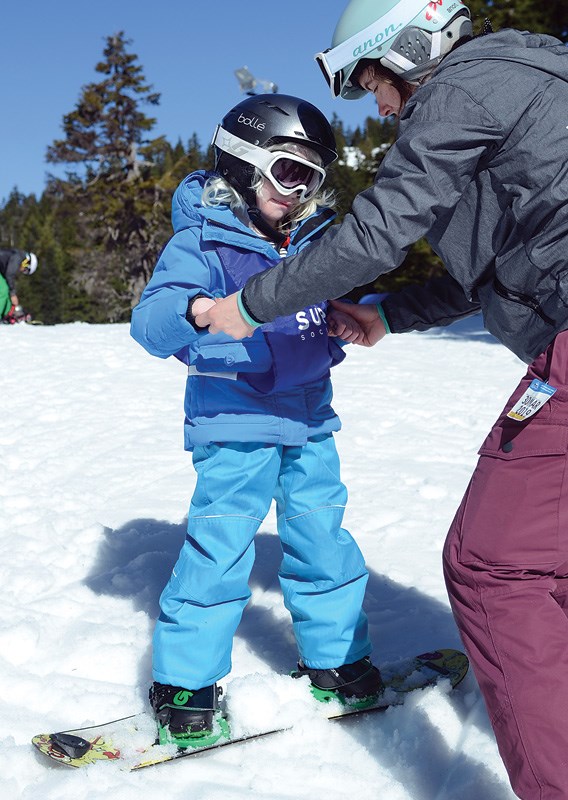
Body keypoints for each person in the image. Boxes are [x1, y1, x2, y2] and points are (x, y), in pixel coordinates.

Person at [197, 2, 568, 797]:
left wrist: (248, 306)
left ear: (408, 50)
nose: (380, 104)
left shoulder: (461, 94)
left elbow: (373, 235)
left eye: (372, 81)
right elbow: (505, 263)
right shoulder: (529, 78)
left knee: (493, 568)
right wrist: (390, 313)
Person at [130, 93, 382, 748]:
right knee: (221, 547)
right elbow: (149, 324)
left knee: (323, 542)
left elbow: (346, 303)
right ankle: (185, 679)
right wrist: (195, 308)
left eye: (313, 179)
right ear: (244, 164)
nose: (299, 193)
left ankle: (335, 656)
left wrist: (352, 318)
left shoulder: (314, 247)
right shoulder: (203, 242)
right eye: (288, 172)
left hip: (309, 420)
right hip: (234, 421)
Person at [0, 249, 37, 323]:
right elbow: (9, 275)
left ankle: (6, 315)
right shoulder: (18, 257)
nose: (23, 271)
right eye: (25, 270)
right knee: (3, 291)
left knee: (6, 289)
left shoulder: (17, 255)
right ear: (27, 262)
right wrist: (13, 294)